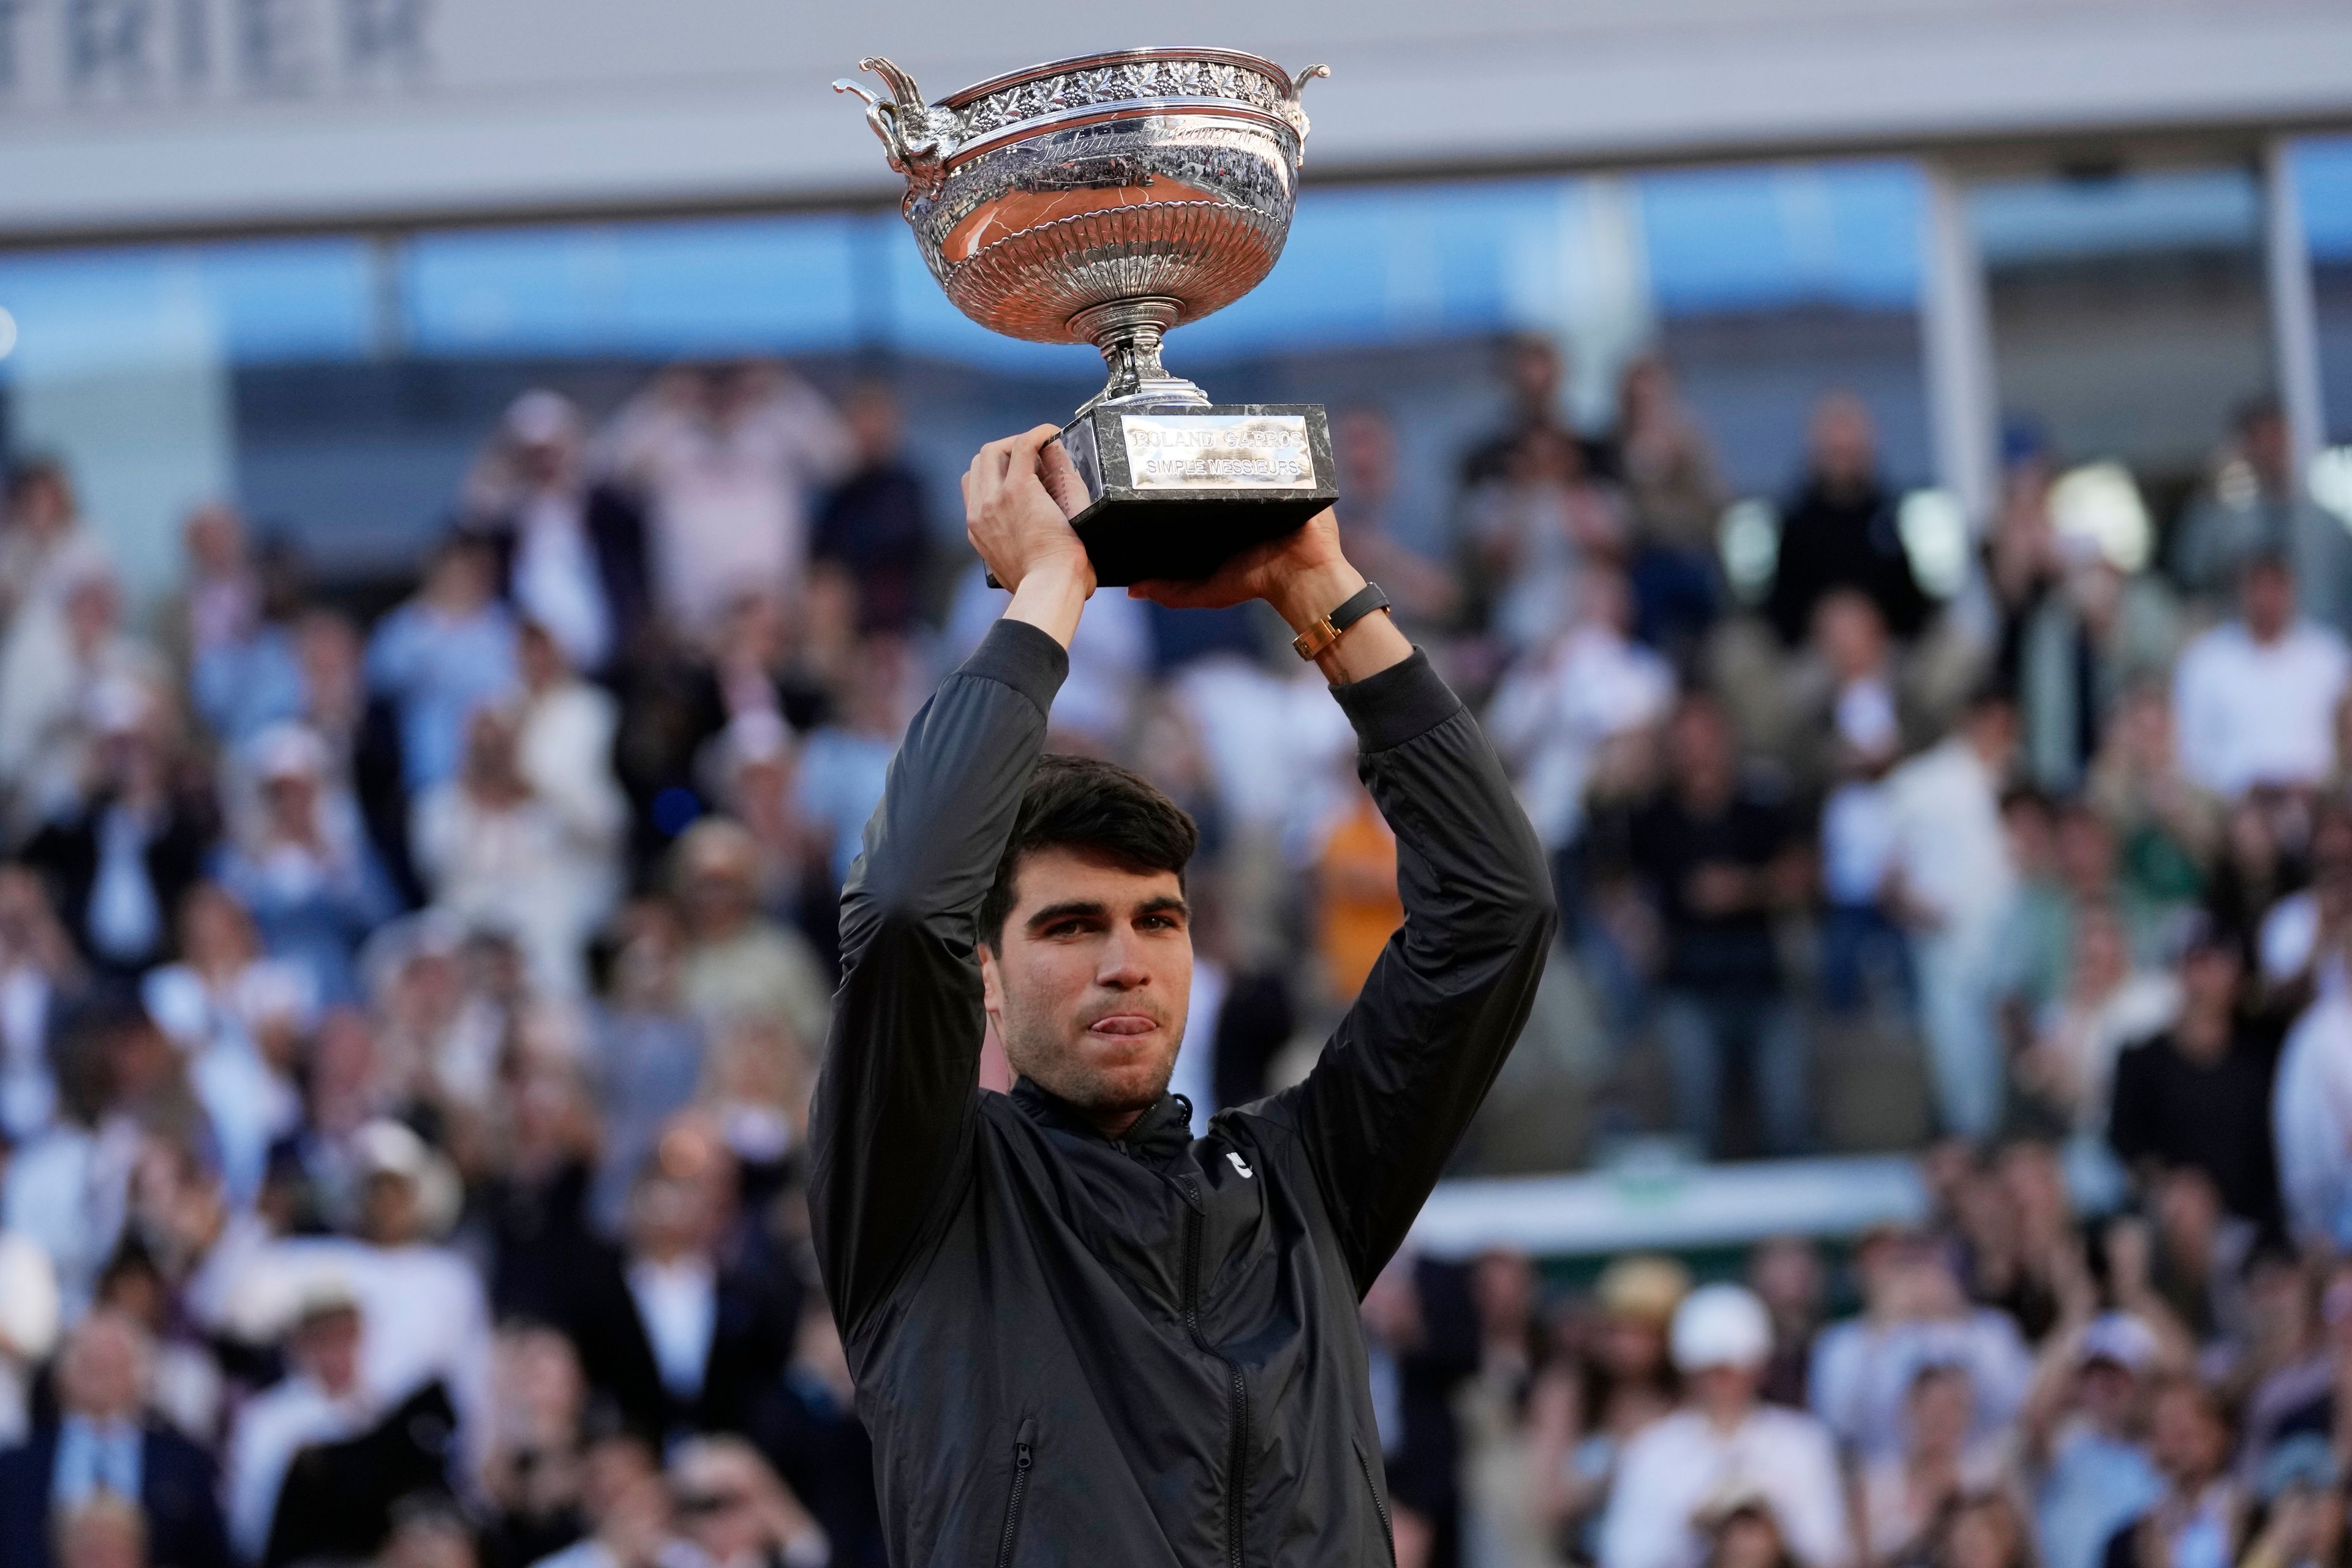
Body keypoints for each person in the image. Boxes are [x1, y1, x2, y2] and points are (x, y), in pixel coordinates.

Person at [807, 426, 1554, 1566]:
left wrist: (1319, 590)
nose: (1125, 960)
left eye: (1158, 920)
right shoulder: (927, 1194)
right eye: (1069, 926)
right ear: (986, 980)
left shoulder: (1306, 1186)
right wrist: (1049, 591)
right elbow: (906, 907)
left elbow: (1496, 911)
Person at [1630, 693, 1811, 1156]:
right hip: (1688, 985)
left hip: (1762, 981)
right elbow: (1619, 891)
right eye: (1687, 740)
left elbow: (1803, 877)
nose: (1698, 750)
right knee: (1695, 1119)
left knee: (1789, 1117)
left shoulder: (1761, 808)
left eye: (1707, 737)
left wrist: (1743, 888)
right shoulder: (1654, 818)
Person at [1599, 1284, 1853, 1568]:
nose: (1719, 1385)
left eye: (1730, 1372)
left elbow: (1830, 1551)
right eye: (1708, 1372)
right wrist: (1695, 1529)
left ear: (1758, 1369)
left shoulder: (1803, 1443)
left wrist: (1767, 1530)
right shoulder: (1651, 1450)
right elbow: (1623, 1556)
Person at [1883, 689, 2021, 1140]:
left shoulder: (2017, 780)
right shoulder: (1918, 783)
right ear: (1971, 720)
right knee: (1961, 1074)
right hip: (1947, 950)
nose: (2000, 735)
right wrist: (1907, 902)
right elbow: (1885, 871)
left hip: (2014, 947)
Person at [0, 1308, 230, 1568]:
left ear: (141, 1376)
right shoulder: (14, 1467)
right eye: (90, 1362)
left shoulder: (186, 1465)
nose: (102, 1375)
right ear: (62, 1374)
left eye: (114, 1364)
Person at [463, 389, 653, 681]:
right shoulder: (507, 520)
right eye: (534, 455)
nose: (545, 464)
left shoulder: (606, 512)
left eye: (553, 451)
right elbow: (467, 532)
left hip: (610, 668)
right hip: (529, 671)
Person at [2106, 922, 2283, 1236]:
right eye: (2198, 963)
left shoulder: (2261, 1062)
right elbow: (2126, 1147)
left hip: (2250, 1228)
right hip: (2166, 1224)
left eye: (2219, 964)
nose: (2207, 977)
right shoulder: (2140, 1060)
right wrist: (2170, 1186)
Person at [2172, 554, 2350, 799]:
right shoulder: (2205, 660)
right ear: (2240, 592)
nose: (2266, 600)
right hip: (2230, 802)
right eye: (2257, 588)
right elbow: (2190, 750)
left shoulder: (2330, 657)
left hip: (2318, 799)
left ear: (2292, 591)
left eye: (2276, 588)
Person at [1764, 393, 1929, 648]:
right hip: (1814, 657)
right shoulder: (1794, 522)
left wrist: (1869, 626)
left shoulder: (1890, 517)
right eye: (1835, 446)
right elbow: (1782, 611)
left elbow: (1914, 607)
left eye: (1850, 441)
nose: (1843, 446)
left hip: (1889, 653)